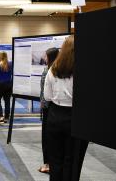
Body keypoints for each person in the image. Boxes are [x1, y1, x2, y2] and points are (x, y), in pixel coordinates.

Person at [44, 36, 88, 180]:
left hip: (54, 116)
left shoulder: (52, 69)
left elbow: (47, 97)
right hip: (75, 118)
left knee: (55, 159)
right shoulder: (83, 69)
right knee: (72, 159)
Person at [38, 47, 59, 174]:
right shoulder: (58, 69)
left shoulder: (48, 70)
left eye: (46, 56)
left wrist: (43, 103)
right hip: (55, 107)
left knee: (46, 136)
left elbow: (45, 93)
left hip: (48, 108)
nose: (44, 58)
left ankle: (48, 164)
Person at [0, 51, 12, 124]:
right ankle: (7, 117)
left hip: (0, 85)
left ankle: (1, 117)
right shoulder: (10, 64)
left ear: (0, 56)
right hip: (9, 84)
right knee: (7, 101)